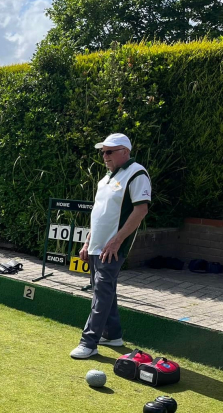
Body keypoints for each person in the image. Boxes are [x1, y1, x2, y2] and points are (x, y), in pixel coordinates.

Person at [70, 133, 151, 359]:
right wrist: (87, 242)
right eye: (103, 152)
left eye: (109, 151)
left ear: (125, 151)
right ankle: (112, 334)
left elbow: (140, 210)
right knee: (103, 291)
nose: (104, 156)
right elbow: (98, 214)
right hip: (96, 246)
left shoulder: (137, 173)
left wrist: (116, 241)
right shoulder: (104, 179)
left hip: (113, 248)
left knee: (101, 294)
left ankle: (89, 342)